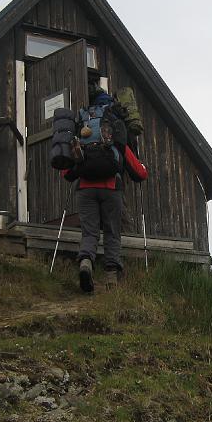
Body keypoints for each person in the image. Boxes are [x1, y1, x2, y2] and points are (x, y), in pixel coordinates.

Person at [62, 102, 148, 293]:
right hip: (111, 189)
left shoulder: (82, 140)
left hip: (85, 188)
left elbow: (66, 173)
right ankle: (111, 278)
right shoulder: (116, 141)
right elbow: (140, 174)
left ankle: (85, 261)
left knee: (90, 232)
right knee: (112, 232)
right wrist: (143, 168)